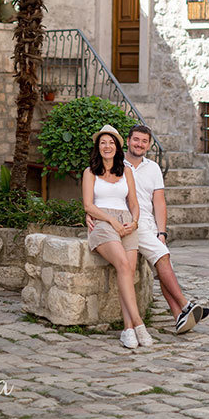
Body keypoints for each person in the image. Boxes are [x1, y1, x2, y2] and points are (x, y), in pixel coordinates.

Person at [121, 124, 209, 333]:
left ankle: (178, 316)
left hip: (149, 225)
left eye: (144, 141)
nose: (139, 144)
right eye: (136, 139)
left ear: (149, 144)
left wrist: (161, 232)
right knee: (162, 257)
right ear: (128, 141)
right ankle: (186, 305)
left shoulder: (153, 168)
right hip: (130, 223)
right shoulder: (118, 164)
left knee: (162, 265)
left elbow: (159, 202)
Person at [82, 124, 151, 349]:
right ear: (98, 147)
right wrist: (111, 221)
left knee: (128, 272)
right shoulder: (90, 172)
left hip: (126, 222)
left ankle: (128, 329)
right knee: (122, 264)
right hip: (103, 222)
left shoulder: (126, 171)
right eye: (103, 142)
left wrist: (134, 222)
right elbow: (88, 205)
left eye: (111, 142)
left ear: (118, 147)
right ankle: (139, 323)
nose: (107, 146)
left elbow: (134, 203)